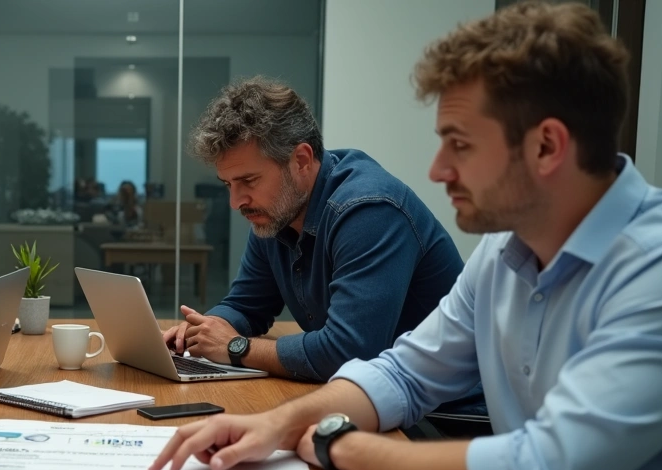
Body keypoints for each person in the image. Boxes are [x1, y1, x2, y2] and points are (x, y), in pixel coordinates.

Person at [149, 4, 662, 470]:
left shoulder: (656, 273)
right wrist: (276, 424)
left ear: (546, 146)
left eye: (460, 144)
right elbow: (400, 373)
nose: (436, 170)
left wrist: (334, 442)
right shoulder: (505, 256)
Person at [162, 77, 464, 382]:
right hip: (381, 395)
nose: (235, 201)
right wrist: (203, 331)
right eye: (228, 184)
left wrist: (234, 346)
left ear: (302, 161)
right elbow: (247, 305)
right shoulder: (276, 213)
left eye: (248, 181)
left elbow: (348, 352)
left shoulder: (369, 211)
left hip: (444, 414)